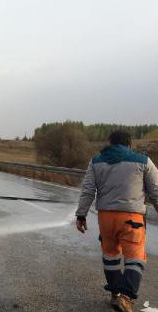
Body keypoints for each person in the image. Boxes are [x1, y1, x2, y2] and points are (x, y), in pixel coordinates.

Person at [76, 131, 158, 312]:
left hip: (106, 218)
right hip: (132, 218)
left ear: (109, 142)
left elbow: (88, 190)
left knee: (110, 256)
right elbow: (156, 192)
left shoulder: (96, 161)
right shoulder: (143, 161)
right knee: (135, 257)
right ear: (130, 144)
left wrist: (81, 215)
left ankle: (115, 294)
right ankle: (126, 297)